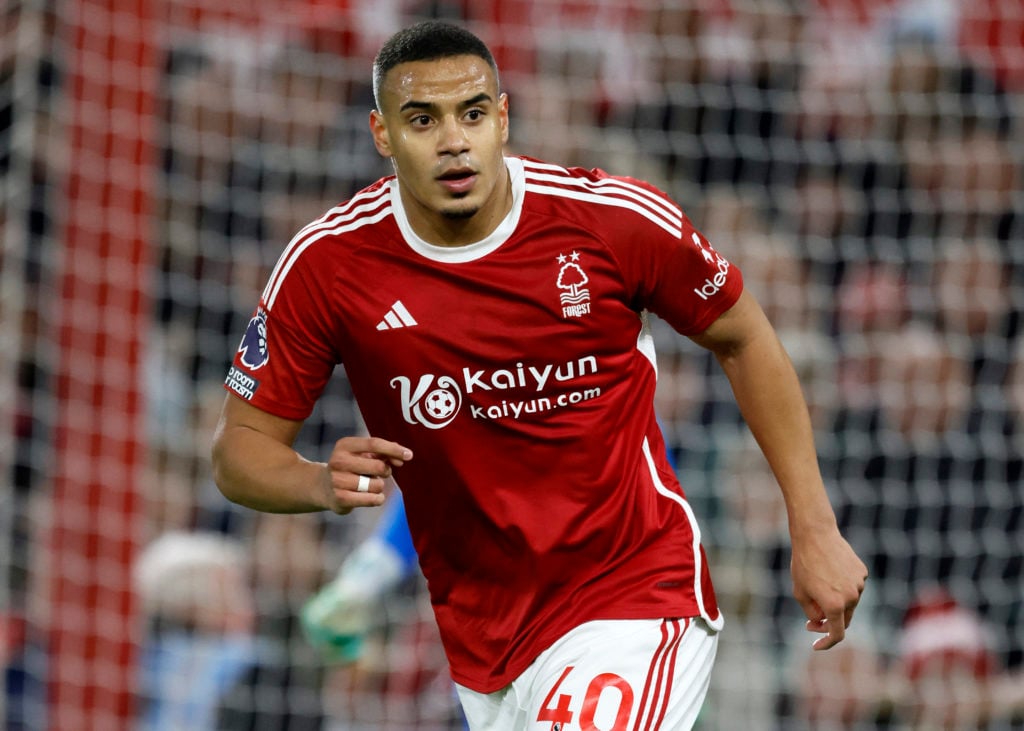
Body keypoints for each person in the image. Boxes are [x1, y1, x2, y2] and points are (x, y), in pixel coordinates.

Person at [211, 20, 867, 730]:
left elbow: (743, 336)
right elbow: (238, 450)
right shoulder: (328, 265)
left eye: (472, 113)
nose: (453, 139)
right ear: (382, 134)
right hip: (486, 639)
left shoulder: (609, 220)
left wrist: (815, 526)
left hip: (634, 595)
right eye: (422, 120)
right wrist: (316, 482)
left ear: (503, 118)